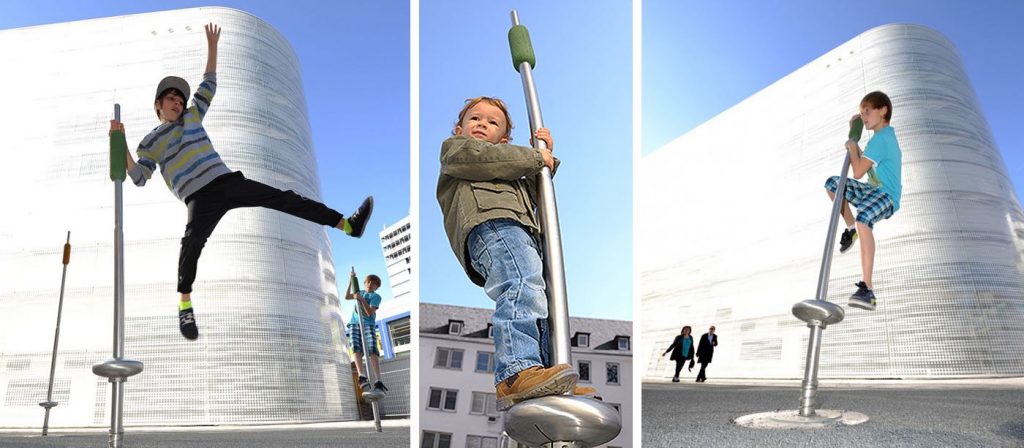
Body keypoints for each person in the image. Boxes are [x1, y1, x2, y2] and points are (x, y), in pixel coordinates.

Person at [109, 23, 373, 340]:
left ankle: (347, 225)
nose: (178, 103)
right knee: (192, 243)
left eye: (180, 99)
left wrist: (212, 46)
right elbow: (138, 177)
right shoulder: (150, 142)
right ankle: (185, 305)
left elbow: (209, 83)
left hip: (226, 181)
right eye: (171, 100)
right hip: (198, 197)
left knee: (286, 198)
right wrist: (120, 142)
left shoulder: (193, 115)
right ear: (159, 106)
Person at [437, 96, 594, 411]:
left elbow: (535, 191)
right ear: (458, 129)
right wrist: (536, 157)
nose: (482, 124)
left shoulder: (509, 164)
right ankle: (516, 371)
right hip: (491, 223)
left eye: (492, 122)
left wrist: (547, 158)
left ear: (504, 137)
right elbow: (490, 160)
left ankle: (546, 376)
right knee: (520, 282)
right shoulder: (456, 150)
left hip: (520, 232)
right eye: (475, 119)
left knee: (539, 300)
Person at [825, 91, 902, 311]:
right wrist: (854, 137)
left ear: (883, 110)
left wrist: (851, 146)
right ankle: (851, 229)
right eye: (861, 112)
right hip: (870, 191)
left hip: (886, 196)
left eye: (867, 111)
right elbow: (861, 163)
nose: (864, 116)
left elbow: (857, 171)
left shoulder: (884, 138)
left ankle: (867, 289)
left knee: (865, 217)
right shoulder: (877, 140)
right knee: (833, 184)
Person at [346, 273, 387, 394]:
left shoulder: (375, 296)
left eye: (373, 283)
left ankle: (378, 380)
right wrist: (351, 281)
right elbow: (347, 296)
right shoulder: (360, 292)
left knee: (372, 349)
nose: (370, 285)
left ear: (377, 287)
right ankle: (361, 376)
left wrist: (361, 299)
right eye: (368, 282)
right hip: (354, 323)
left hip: (368, 324)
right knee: (355, 347)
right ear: (365, 283)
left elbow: (369, 312)